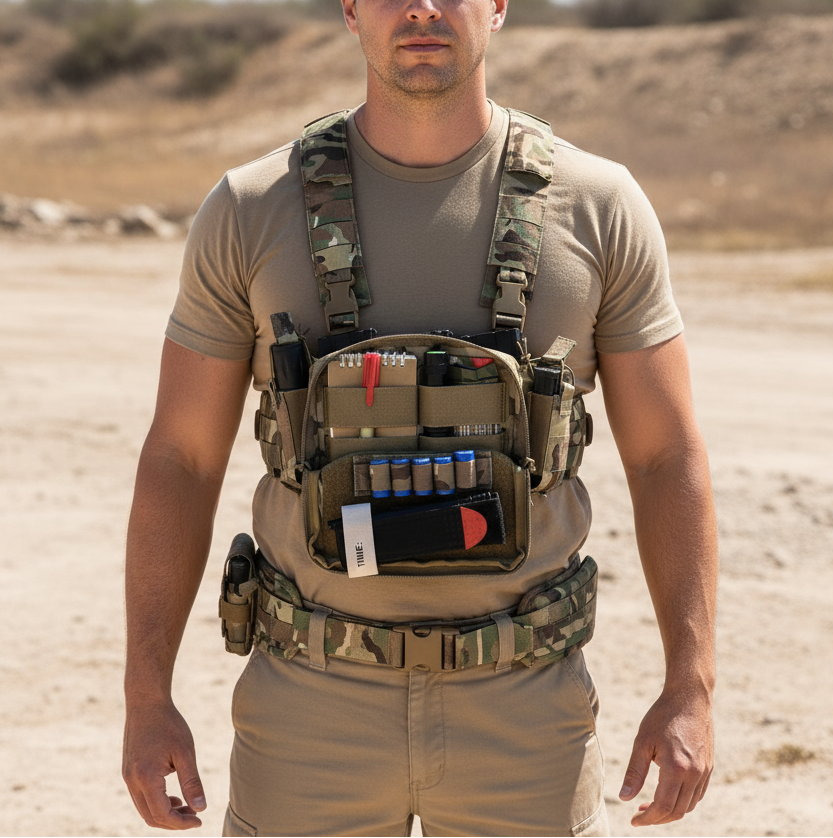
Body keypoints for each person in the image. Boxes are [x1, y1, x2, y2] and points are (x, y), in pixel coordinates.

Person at [122, 1, 718, 835]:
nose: (423, 9)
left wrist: (690, 689)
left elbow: (668, 459)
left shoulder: (598, 206)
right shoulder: (252, 207)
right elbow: (181, 458)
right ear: (351, 9)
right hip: (308, 714)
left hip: (524, 718)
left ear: (500, 5)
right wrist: (147, 698)